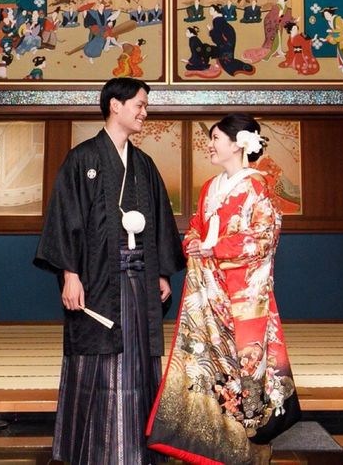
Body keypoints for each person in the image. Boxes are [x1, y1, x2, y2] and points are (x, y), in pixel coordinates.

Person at [34, 77, 185, 465]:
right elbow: (66, 216)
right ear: (115, 105)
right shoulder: (82, 158)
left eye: (145, 105)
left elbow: (160, 220)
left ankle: (139, 448)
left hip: (139, 281)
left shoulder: (144, 165)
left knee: (139, 359)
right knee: (98, 359)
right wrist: (70, 274)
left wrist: (162, 273)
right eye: (139, 104)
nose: (145, 112)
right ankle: (95, 448)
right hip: (97, 280)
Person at [147, 113, 301, 465]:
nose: (210, 145)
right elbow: (196, 227)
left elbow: (263, 237)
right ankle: (209, 440)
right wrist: (194, 243)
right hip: (210, 294)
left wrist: (214, 248)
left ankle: (247, 447)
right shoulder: (209, 187)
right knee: (209, 366)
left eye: (216, 138)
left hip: (243, 296)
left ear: (238, 143)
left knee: (245, 371)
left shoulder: (258, 186)